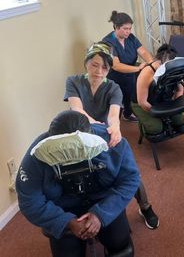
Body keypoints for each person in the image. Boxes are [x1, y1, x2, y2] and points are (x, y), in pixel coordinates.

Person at [16, 110, 139, 257]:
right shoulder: (35, 156)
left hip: (104, 200)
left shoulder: (113, 141)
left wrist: (101, 214)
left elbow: (130, 179)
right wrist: (66, 221)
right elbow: (29, 201)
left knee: (121, 247)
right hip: (63, 208)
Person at [64, 42, 159, 229]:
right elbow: (77, 109)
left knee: (130, 173)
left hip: (108, 137)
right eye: (95, 65)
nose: (99, 71)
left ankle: (145, 206)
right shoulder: (73, 81)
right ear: (86, 63)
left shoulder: (113, 88)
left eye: (105, 67)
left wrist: (115, 127)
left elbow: (114, 115)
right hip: (80, 137)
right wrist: (97, 125)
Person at [103, 10, 154, 122]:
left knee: (130, 95)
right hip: (115, 76)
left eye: (130, 28)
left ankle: (128, 113)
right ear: (116, 27)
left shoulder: (131, 37)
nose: (128, 31)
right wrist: (138, 68)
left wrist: (152, 64)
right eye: (125, 29)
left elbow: (143, 52)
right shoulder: (108, 42)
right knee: (117, 100)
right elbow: (116, 66)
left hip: (130, 73)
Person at [132, 44, 184, 135]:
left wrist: (175, 107)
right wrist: (160, 114)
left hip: (162, 101)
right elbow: (142, 102)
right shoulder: (147, 73)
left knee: (180, 123)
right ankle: (143, 126)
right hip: (141, 104)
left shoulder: (173, 68)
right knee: (156, 129)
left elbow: (180, 90)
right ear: (158, 60)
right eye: (162, 64)